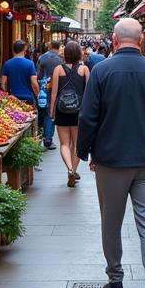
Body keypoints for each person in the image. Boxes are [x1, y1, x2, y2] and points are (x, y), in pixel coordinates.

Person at [78, 17, 145, 288]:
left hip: (111, 160)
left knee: (111, 222)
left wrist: (85, 152)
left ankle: (116, 282)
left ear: (114, 39)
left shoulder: (102, 71)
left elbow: (88, 117)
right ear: (142, 40)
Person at [50, 40, 89, 187]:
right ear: (79, 53)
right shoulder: (84, 69)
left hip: (62, 110)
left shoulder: (58, 69)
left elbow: (53, 93)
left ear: (65, 54)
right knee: (77, 145)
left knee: (65, 144)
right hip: (79, 111)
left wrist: (51, 110)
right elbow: (89, 93)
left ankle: (70, 169)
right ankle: (74, 169)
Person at [36, 40, 64, 149]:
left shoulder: (42, 58)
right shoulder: (60, 60)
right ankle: (48, 138)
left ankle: (39, 135)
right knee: (50, 113)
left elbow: (37, 75)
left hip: (42, 88)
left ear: (50, 46)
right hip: (54, 89)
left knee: (41, 112)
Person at [0, 39, 38, 106]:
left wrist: (6, 94)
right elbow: (34, 82)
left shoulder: (7, 64)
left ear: (13, 50)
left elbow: (3, 84)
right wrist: (38, 95)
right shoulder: (30, 64)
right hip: (28, 97)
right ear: (24, 50)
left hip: (13, 98)